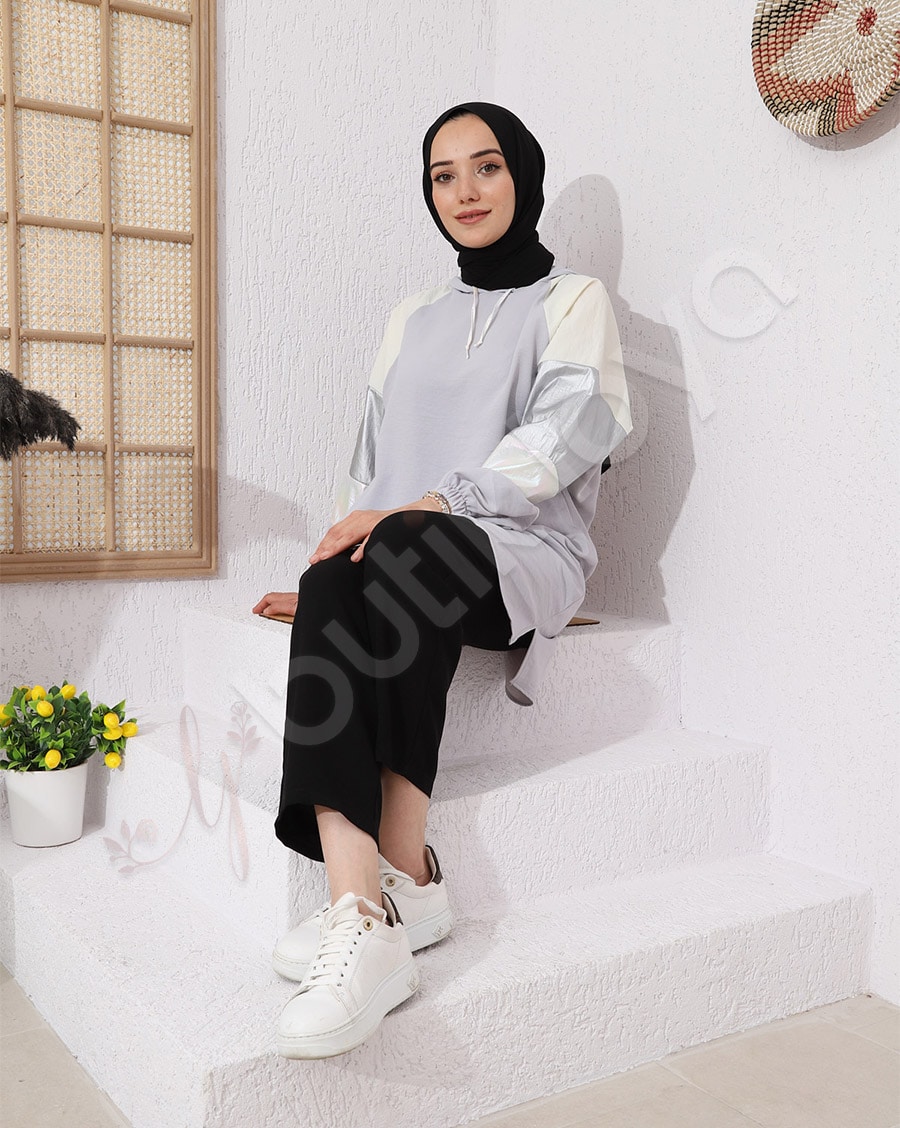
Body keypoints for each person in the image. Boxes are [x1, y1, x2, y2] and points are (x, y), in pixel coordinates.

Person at [253, 101, 632, 1060]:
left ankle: (397, 884)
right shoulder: (411, 317)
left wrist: (427, 504)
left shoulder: (574, 300)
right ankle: (370, 898)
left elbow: (567, 433)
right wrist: (335, 566)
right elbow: (372, 461)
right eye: (443, 175)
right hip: (411, 542)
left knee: (408, 545)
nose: (464, 190)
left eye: (487, 167)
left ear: (523, 176)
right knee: (353, 569)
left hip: (519, 552)